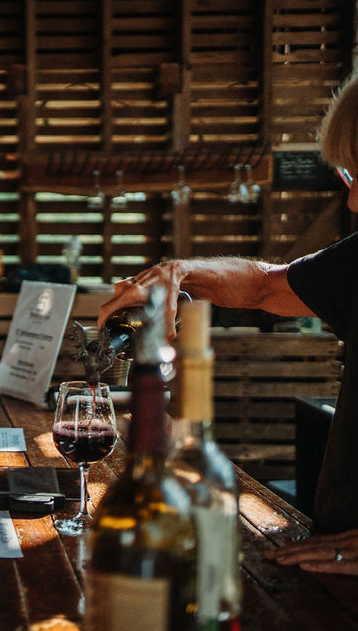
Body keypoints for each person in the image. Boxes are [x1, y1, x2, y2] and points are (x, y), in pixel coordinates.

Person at [95, 69, 358, 575]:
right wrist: (178, 272)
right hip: (328, 562)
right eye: (349, 178)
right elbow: (263, 285)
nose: (351, 201)